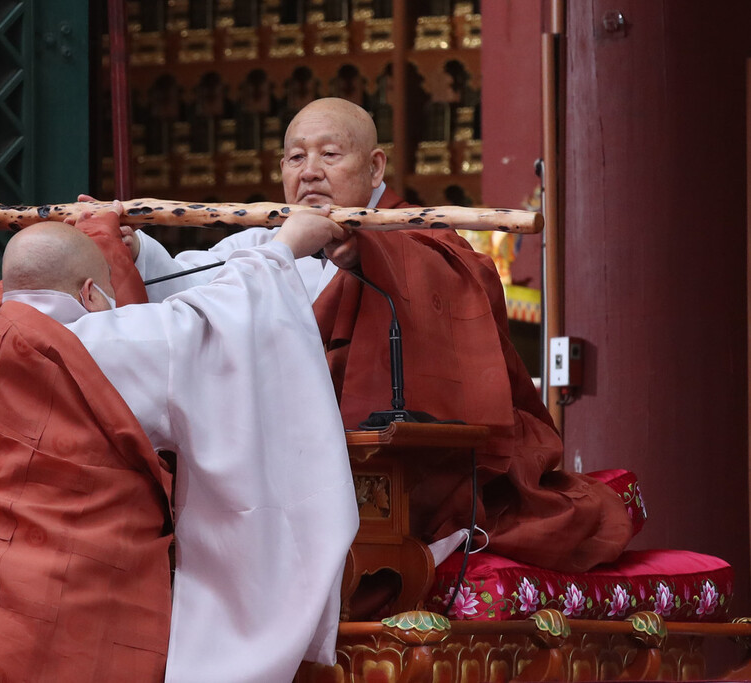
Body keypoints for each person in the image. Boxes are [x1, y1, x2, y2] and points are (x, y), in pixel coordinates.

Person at [94, 97, 633, 587]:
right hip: (265, 460)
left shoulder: (416, 242)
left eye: (330, 155)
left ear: (375, 166)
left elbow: (460, 288)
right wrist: (134, 250)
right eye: (294, 158)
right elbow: (193, 294)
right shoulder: (262, 241)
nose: (309, 172)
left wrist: (375, 259)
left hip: (371, 467)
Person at [0, 210, 360, 682]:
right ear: (90, 292)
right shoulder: (106, 343)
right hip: (77, 618)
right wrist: (283, 248)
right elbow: (220, 323)